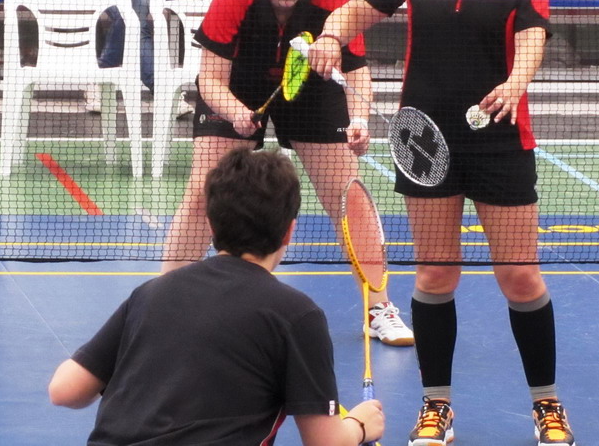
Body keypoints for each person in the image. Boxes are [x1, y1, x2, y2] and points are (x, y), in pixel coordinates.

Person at [307, 0, 576, 446]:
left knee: (521, 277)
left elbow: (533, 30)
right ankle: (437, 408)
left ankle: (547, 405)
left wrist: (516, 81)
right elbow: (360, 7)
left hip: (500, 134)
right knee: (434, 273)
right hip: (425, 137)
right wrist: (330, 35)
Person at [161, 0, 414, 347]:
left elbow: (356, 71)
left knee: (350, 196)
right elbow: (210, 80)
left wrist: (359, 120)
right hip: (238, 88)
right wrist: (236, 113)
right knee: (202, 194)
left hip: (312, 89)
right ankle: (164, 302)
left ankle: (379, 308)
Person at [49, 147, 385, 446]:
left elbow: (64, 390)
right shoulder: (297, 315)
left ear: (210, 224)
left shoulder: (151, 292)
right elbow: (325, 442)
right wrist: (359, 424)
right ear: (289, 231)